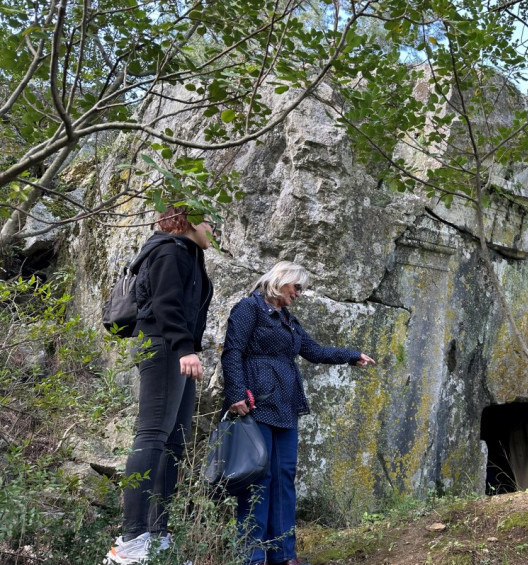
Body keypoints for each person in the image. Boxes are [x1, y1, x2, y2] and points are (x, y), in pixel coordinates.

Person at [221, 261, 376, 565]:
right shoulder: (248, 308)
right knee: (258, 479)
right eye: (297, 287)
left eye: (302, 289)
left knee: (284, 477)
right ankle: (252, 557)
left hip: (285, 406)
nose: (300, 294)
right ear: (282, 280)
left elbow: (315, 351)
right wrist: (236, 394)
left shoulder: (289, 320)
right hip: (256, 405)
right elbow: (233, 351)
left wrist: (351, 355)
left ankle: (283, 555)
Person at [106, 207, 216, 564]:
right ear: (187, 222)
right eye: (209, 222)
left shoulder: (188, 253)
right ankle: (132, 539)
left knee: (173, 442)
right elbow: (166, 304)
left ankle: (158, 535)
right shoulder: (169, 250)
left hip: (175, 349)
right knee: (152, 435)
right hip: (162, 345)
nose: (213, 229)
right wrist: (185, 348)